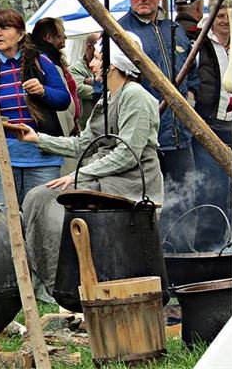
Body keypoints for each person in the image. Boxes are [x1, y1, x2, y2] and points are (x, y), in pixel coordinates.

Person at [19, 32, 163, 303]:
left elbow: (128, 155)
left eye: (98, 58)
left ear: (113, 66)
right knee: (37, 198)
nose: (93, 64)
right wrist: (38, 138)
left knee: (57, 204)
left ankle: (70, 285)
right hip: (103, 177)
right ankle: (52, 284)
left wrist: (78, 175)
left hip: (130, 183)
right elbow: (83, 145)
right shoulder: (107, 99)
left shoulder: (135, 97)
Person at [117, 0, 199, 246]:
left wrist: (189, 102)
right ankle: (150, 266)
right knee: (145, 207)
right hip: (142, 143)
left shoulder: (175, 31)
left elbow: (193, 77)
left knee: (186, 201)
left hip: (180, 139)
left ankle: (183, 261)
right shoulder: (119, 33)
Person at [0, 9, 71, 207]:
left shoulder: (39, 60)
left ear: (21, 34)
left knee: (42, 219)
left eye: (4, 28)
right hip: (0, 157)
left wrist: (43, 91)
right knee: (2, 220)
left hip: (41, 156)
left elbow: (64, 99)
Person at [190, 0, 232, 250]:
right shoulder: (199, 41)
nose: (225, 19)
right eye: (219, 13)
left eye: (230, 13)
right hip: (210, 125)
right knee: (213, 189)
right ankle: (210, 249)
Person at [30, 17, 81, 137]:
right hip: (61, 130)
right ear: (48, 38)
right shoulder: (44, 62)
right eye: (60, 36)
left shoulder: (55, 59)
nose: (65, 38)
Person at [69, 32, 100, 130]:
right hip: (86, 125)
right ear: (89, 47)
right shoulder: (75, 69)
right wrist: (105, 89)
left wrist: (94, 82)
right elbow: (79, 89)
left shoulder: (108, 65)